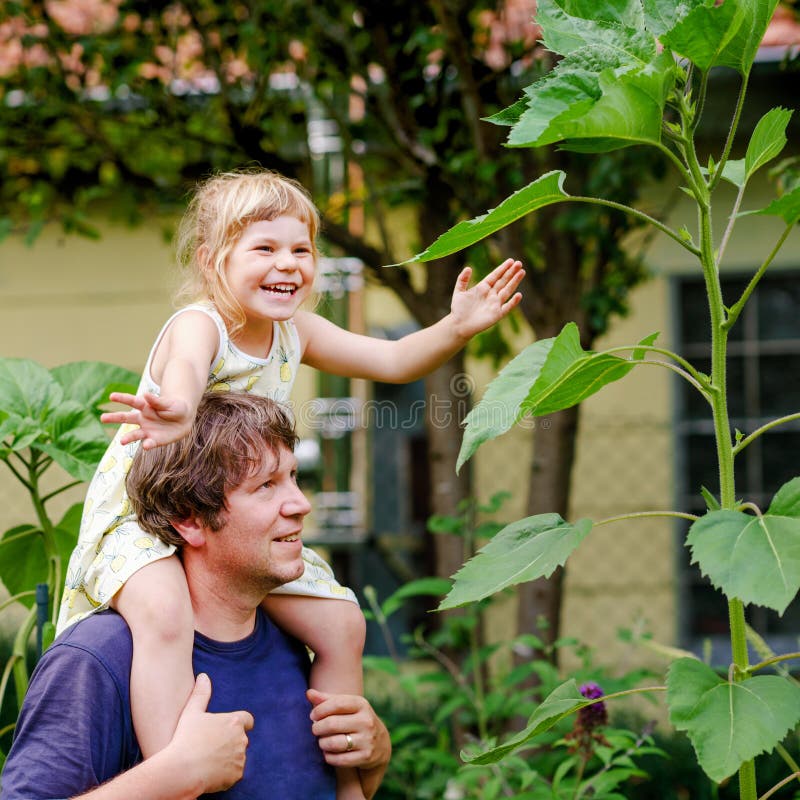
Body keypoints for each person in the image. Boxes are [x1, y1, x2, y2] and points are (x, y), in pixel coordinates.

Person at [56, 168, 524, 799]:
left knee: (341, 623)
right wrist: (180, 407)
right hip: (150, 515)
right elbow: (189, 370)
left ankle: (347, 787)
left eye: (301, 249)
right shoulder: (202, 323)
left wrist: (456, 329)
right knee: (164, 613)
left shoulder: (293, 332)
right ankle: (180, 772)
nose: (288, 264)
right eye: (264, 248)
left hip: (235, 523)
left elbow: (389, 361)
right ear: (212, 260)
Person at [1, 392, 391, 800]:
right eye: (266, 486)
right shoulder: (99, 658)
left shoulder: (298, 640)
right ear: (189, 519)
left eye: (293, 477)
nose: (300, 504)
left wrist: (374, 757)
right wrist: (174, 775)